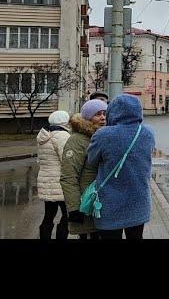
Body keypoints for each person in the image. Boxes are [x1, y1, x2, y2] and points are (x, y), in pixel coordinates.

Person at [87, 94, 155, 240]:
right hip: (139, 202)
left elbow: (91, 162)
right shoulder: (148, 133)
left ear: (113, 111)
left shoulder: (102, 135)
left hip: (110, 204)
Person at [60, 99, 107, 240]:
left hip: (102, 202)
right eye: (98, 114)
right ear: (87, 117)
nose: (103, 117)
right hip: (86, 203)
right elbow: (68, 177)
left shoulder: (103, 137)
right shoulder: (77, 140)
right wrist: (74, 208)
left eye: (105, 113)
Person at [36, 111, 71, 240]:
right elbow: (66, 159)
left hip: (46, 179)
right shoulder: (62, 135)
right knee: (67, 216)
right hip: (60, 182)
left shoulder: (44, 135)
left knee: (49, 215)